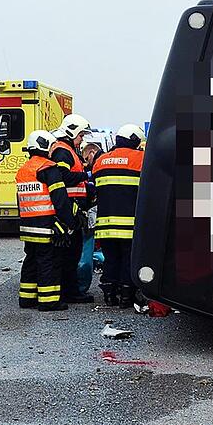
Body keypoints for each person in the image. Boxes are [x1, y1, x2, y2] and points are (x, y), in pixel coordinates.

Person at [16, 130, 76, 312]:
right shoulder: (48, 168)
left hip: (28, 226)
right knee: (49, 261)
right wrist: (70, 222)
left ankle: (26, 298)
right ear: (46, 147)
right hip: (47, 226)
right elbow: (60, 199)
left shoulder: (24, 170)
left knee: (31, 260)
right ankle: (48, 300)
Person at [93, 124, 145, 308]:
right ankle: (126, 295)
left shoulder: (101, 160)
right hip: (130, 224)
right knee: (128, 258)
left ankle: (109, 294)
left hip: (105, 224)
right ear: (135, 140)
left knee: (111, 258)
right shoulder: (141, 159)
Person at [50, 114, 95, 303]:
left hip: (72, 208)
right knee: (70, 254)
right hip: (69, 209)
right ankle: (71, 292)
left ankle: (69, 290)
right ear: (71, 132)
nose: (82, 139)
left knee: (72, 253)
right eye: (81, 135)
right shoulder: (63, 152)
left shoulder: (67, 150)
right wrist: (86, 174)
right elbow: (62, 176)